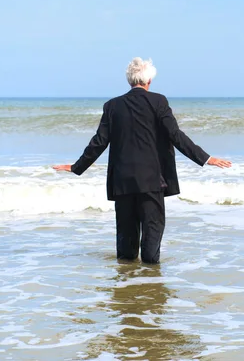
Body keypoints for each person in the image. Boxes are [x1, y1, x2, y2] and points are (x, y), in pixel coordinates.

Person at [53, 57, 232, 264]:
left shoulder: (112, 106)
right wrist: (206, 158)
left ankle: (126, 287)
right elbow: (175, 135)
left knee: (126, 247)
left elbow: (99, 142)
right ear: (149, 82)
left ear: (129, 81)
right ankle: (149, 284)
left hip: (122, 182)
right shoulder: (159, 101)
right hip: (151, 180)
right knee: (152, 236)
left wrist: (76, 167)